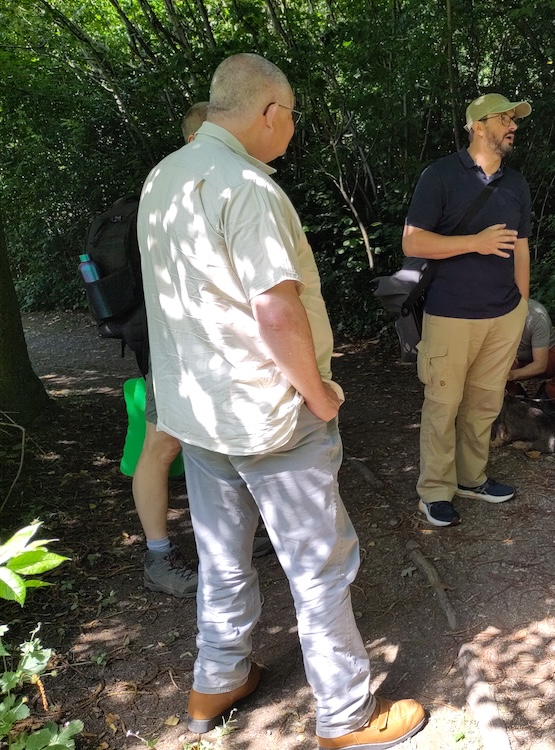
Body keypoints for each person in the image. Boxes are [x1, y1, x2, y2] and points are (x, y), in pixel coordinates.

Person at [137, 53, 426, 747]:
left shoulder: (164, 177)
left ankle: (217, 681)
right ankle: (346, 718)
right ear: (270, 112)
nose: (292, 133)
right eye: (292, 118)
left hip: (198, 415)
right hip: (270, 415)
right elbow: (275, 311)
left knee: (223, 554)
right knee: (318, 566)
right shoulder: (247, 187)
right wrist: (319, 393)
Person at [136, 101, 271, 599]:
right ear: (196, 140)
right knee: (164, 443)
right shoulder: (170, 190)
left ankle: (239, 539)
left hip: (214, 352)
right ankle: (158, 554)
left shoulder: (210, 187)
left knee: (225, 439)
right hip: (173, 350)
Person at [402, 93, 531, 528]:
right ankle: (434, 491)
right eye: (504, 118)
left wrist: (522, 305)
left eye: (514, 119)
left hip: (503, 316)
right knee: (442, 405)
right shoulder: (439, 176)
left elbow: (522, 247)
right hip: (450, 315)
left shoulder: (516, 184)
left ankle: (471, 479)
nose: (513, 124)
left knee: (484, 404)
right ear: (478, 125)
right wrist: (473, 242)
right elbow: (413, 242)